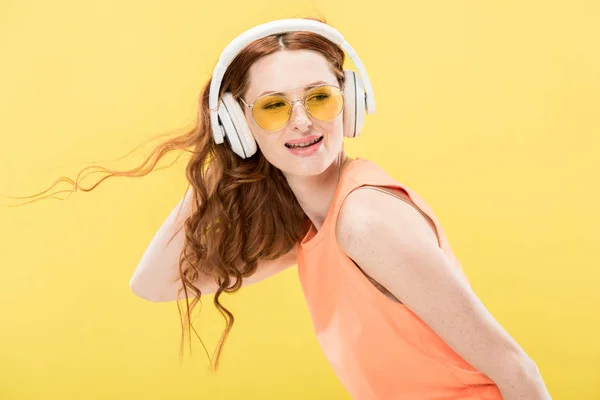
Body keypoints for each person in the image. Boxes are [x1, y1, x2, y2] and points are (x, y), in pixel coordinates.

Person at [14, 16, 551, 400]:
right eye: (272, 107)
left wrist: (242, 135)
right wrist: (224, 155)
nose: (302, 121)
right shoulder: (311, 229)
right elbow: (154, 284)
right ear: (238, 125)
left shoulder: (366, 221)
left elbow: (513, 368)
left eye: (320, 97)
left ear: (353, 102)